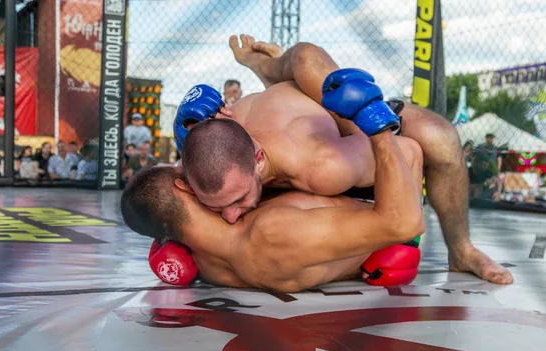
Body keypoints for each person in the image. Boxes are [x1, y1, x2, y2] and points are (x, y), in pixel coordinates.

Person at [172, 35, 512, 285]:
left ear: (258, 160)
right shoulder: (209, 143)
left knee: (441, 138)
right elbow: (170, 186)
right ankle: (272, 73)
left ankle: (462, 250)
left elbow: (408, 152)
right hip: (282, 122)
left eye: (236, 201)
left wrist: (403, 240)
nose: (229, 217)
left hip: (331, 126)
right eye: (219, 207)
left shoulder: (322, 165)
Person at [122, 70, 424, 292]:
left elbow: (156, 201)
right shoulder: (273, 232)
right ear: (184, 184)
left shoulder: (204, 266)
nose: (231, 214)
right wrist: (378, 125)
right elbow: (403, 220)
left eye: (237, 200)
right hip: (377, 201)